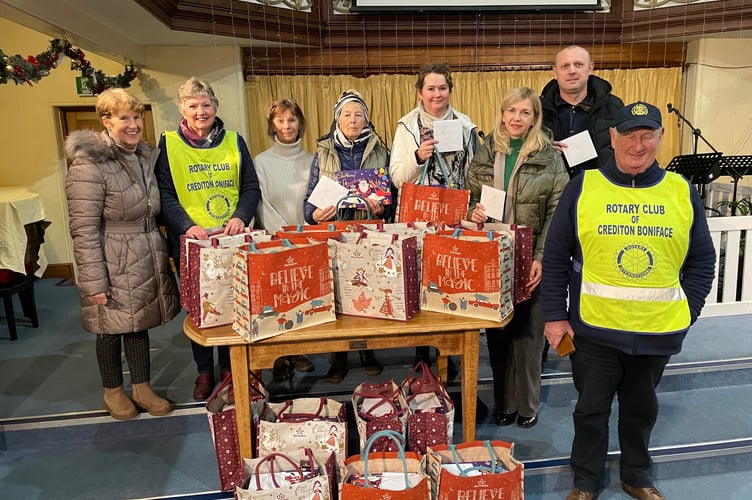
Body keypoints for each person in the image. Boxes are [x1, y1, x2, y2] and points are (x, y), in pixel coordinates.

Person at [541, 102, 715, 500]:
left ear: (659, 138)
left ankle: (636, 476)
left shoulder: (680, 191)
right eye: (630, 136)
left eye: (647, 135)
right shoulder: (583, 187)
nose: (639, 145)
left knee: (641, 411)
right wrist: (554, 316)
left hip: (656, 332)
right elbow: (555, 255)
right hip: (594, 330)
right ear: (613, 138)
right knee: (590, 410)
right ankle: (585, 482)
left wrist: (687, 311)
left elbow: (702, 260)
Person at [64, 88, 180, 420]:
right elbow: (83, 229)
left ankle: (142, 388)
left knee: (137, 322)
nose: (133, 124)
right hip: (110, 252)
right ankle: (113, 391)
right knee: (110, 326)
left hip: (144, 247)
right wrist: (94, 281)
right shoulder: (89, 163)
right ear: (106, 121)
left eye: (136, 116)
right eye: (123, 118)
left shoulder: (144, 155)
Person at [466, 87, 569, 429]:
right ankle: (505, 402)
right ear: (502, 113)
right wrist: (473, 213)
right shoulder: (484, 152)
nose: (516, 118)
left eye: (525, 112)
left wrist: (542, 255)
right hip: (494, 255)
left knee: (528, 334)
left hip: (532, 256)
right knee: (499, 335)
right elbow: (467, 198)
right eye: (511, 111)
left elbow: (558, 211)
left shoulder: (549, 157)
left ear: (534, 118)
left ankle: (527, 404)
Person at [156, 77, 261, 400]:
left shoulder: (234, 140)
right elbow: (165, 193)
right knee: (201, 310)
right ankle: (204, 370)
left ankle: (232, 367)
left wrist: (241, 216)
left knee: (236, 306)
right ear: (182, 109)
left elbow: (250, 186)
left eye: (206, 104)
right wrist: (185, 225)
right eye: (193, 106)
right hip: (192, 243)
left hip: (233, 239)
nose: (200, 111)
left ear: (215, 106)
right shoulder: (168, 144)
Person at [389, 62, 479, 367]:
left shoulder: (466, 126)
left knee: (452, 284)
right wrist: (418, 157)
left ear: (450, 90)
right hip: (419, 221)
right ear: (419, 92)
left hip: (455, 219)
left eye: (442, 88)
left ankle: (451, 358)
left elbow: (475, 174)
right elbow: (396, 178)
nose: (437, 94)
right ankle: (422, 357)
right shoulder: (406, 127)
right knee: (421, 288)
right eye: (431, 88)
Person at [303, 90, 389, 383]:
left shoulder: (380, 149)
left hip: (367, 232)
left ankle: (369, 351)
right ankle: (338, 356)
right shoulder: (324, 151)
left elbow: (391, 198)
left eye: (358, 114)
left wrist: (382, 207)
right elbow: (309, 203)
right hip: (334, 235)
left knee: (368, 291)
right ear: (337, 118)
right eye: (347, 114)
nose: (353, 120)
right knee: (337, 296)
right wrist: (313, 216)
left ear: (367, 118)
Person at [253, 97, 316, 381]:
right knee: (277, 300)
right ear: (273, 125)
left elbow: (315, 198)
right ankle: (279, 356)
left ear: (300, 123)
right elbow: (262, 202)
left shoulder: (313, 159)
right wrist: (284, 235)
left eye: (292, 120)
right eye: (281, 120)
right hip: (276, 240)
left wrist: (304, 232)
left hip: (306, 239)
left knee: (301, 299)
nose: (287, 125)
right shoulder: (262, 162)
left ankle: (299, 350)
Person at [540, 45, 624, 178]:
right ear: (555, 72)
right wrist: (542, 151)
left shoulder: (613, 106)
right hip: (553, 191)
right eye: (565, 66)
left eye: (578, 64)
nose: (572, 71)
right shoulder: (538, 110)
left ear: (590, 68)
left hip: (600, 188)